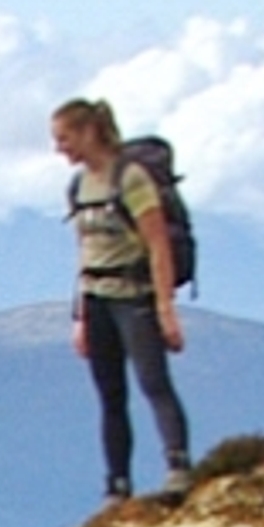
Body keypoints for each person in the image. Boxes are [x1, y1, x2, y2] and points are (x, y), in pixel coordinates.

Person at [53, 96, 192, 501]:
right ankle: (117, 484)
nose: (60, 148)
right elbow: (84, 251)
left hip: (134, 296)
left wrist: (165, 309)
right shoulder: (79, 186)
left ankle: (178, 466)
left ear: (87, 132)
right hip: (96, 298)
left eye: (64, 138)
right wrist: (79, 316)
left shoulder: (130, 179)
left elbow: (158, 245)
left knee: (153, 382)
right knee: (110, 395)